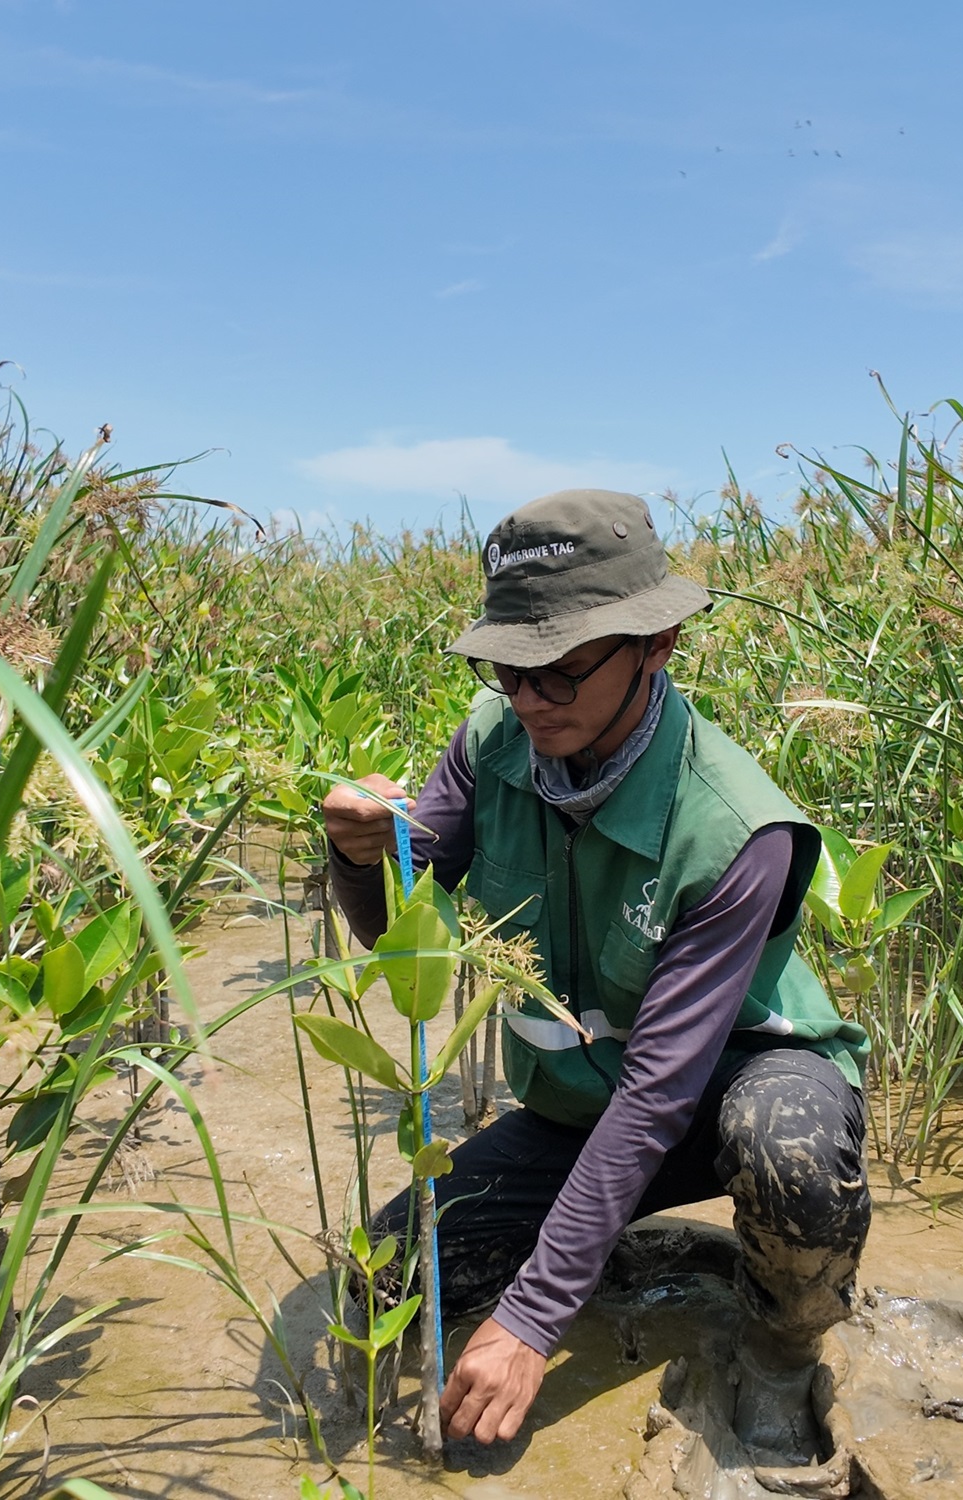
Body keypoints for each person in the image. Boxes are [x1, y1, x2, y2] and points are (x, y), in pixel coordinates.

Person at [319, 489, 870, 1462]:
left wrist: (531, 1322)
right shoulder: (489, 744)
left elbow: (659, 1092)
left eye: (562, 670)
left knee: (790, 1154)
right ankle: (626, 1244)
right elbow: (399, 944)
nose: (529, 699)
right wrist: (357, 857)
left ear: (656, 644)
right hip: (579, 1112)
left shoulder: (737, 830)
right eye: (508, 668)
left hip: (728, 1091)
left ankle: (782, 1345)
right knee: (385, 1277)